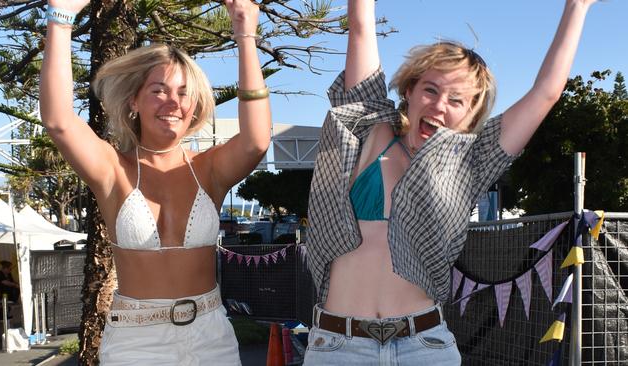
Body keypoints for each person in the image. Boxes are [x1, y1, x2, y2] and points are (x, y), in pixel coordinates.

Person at [304, 0, 599, 364]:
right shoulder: (370, 129)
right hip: (339, 346)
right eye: (430, 90)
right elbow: (361, 24)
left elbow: (546, 93)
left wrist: (578, 7)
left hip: (423, 346)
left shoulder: (470, 162)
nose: (440, 105)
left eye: (457, 100)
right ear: (409, 91)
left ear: (472, 113)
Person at [40, 0, 270, 364]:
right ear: (134, 101)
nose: (173, 102)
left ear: (194, 106)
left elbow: (257, 140)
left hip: (211, 335)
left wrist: (245, 35)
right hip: (136, 339)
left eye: (183, 93)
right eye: (158, 90)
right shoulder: (112, 169)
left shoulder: (209, 169)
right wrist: (61, 16)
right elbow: (58, 121)